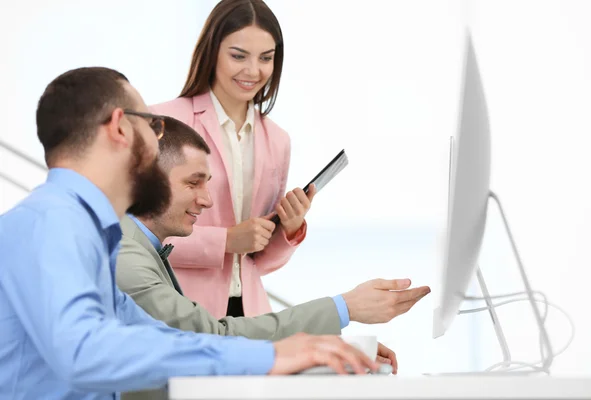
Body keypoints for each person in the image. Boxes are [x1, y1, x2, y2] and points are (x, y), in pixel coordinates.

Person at [0, 67, 380, 400]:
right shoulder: (53, 222)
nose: (157, 140)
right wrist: (271, 355)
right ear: (119, 128)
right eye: (154, 126)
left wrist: (300, 348)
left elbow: (165, 337)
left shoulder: (86, 232)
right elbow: (84, 352)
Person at [116, 117, 431, 399]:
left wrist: (333, 348)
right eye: (193, 182)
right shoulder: (128, 257)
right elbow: (211, 338)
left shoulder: (144, 246)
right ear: (149, 181)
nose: (207, 199)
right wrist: (343, 309)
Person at [150, 0, 311, 318]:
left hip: (248, 314)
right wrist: (226, 240)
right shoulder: (164, 123)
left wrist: (287, 231)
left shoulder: (277, 140)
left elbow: (258, 261)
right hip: (178, 309)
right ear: (212, 52)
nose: (253, 71)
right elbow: (138, 237)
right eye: (238, 56)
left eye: (266, 58)